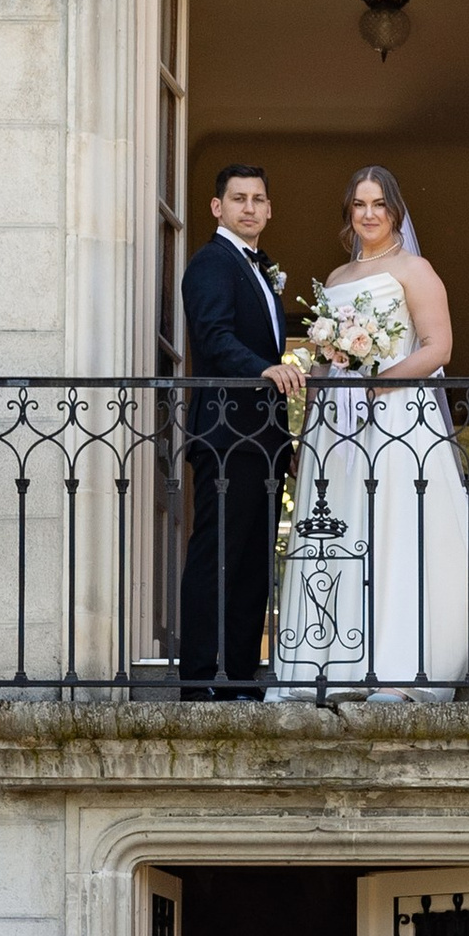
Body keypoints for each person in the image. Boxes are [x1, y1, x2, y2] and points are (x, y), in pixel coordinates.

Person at [273, 167, 469, 695]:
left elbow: (437, 348)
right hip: (337, 427)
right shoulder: (333, 280)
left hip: (396, 419)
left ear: (395, 210)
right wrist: (309, 433)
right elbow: (327, 365)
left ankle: (398, 664)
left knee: (393, 528)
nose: (368, 214)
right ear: (348, 212)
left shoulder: (415, 270)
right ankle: (328, 668)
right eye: (358, 204)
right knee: (338, 533)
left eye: (378, 203)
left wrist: (378, 383)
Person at [178, 164, 300, 698]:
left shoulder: (260, 269)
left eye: (258, 199)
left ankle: (240, 677)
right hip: (226, 433)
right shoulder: (210, 263)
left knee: (252, 562)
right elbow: (213, 336)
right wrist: (264, 370)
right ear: (217, 207)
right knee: (219, 555)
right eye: (238, 198)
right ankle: (204, 680)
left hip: (261, 440)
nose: (249, 208)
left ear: (270, 209)